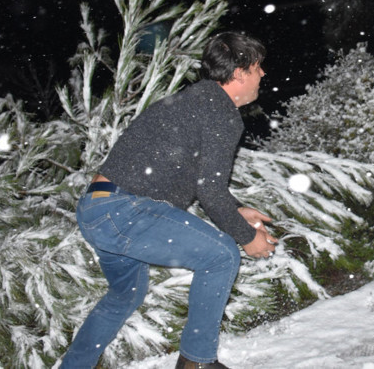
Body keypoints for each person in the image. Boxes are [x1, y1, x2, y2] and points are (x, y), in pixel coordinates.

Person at [61, 32, 278, 369]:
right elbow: (209, 191)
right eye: (258, 67)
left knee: (124, 296)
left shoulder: (194, 101)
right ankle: (196, 363)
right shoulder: (220, 111)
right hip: (125, 210)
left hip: (98, 208)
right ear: (239, 73)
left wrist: (236, 209)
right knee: (221, 254)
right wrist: (248, 238)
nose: (263, 74)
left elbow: (201, 180)